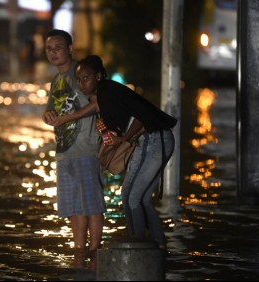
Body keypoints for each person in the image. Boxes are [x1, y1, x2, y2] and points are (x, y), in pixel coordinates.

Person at [74, 54, 177, 250]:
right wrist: (110, 132)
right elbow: (127, 120)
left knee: (130, 196)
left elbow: (139, 117)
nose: (81, 83)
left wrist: (125, 138)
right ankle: (159, 248)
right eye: (78, 79)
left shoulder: (108, 93)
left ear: (98, 76)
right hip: (160, 138)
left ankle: (137, 248)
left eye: (85, 78)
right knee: (142, 198)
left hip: (153, 139)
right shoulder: (108, 93)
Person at [42, 30, 106, 267]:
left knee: (91, 203)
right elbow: (50, 110)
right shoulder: (56, 79)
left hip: (86, 147)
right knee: (73, 206)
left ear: (70, 48)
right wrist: (47, 115)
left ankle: (95, 253)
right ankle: (80, 254)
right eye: (49, 48)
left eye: (58, 47)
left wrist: (68, 119)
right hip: (64, 149)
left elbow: (99, 103)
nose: (53, 52)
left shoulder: (81, 71)